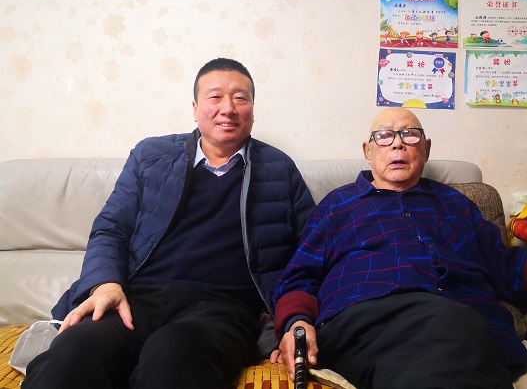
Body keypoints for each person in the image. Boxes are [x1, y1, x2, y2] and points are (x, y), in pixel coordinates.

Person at [22, 58, 316, 389]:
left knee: (173, 356)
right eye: (215, 97)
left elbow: (311, 253)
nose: (228, 108)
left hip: (221, 309)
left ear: (252, 110)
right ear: (195, 108)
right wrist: (106, 284)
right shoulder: (151, 155)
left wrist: (293, 319)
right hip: (136, 298)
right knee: (75, 351)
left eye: (240, 98)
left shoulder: (279, 168)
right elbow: (111, 228)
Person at [271, 107, 527, 389]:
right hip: (366, 318)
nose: (397, 142)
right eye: (384, 136)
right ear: (367, 151)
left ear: (426, 149)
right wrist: (297, 323)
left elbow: (506, 265)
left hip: (466, 323)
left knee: (456, 335)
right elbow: (299, 276)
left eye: (409, 134)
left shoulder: (456, 204)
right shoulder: (338, 205)